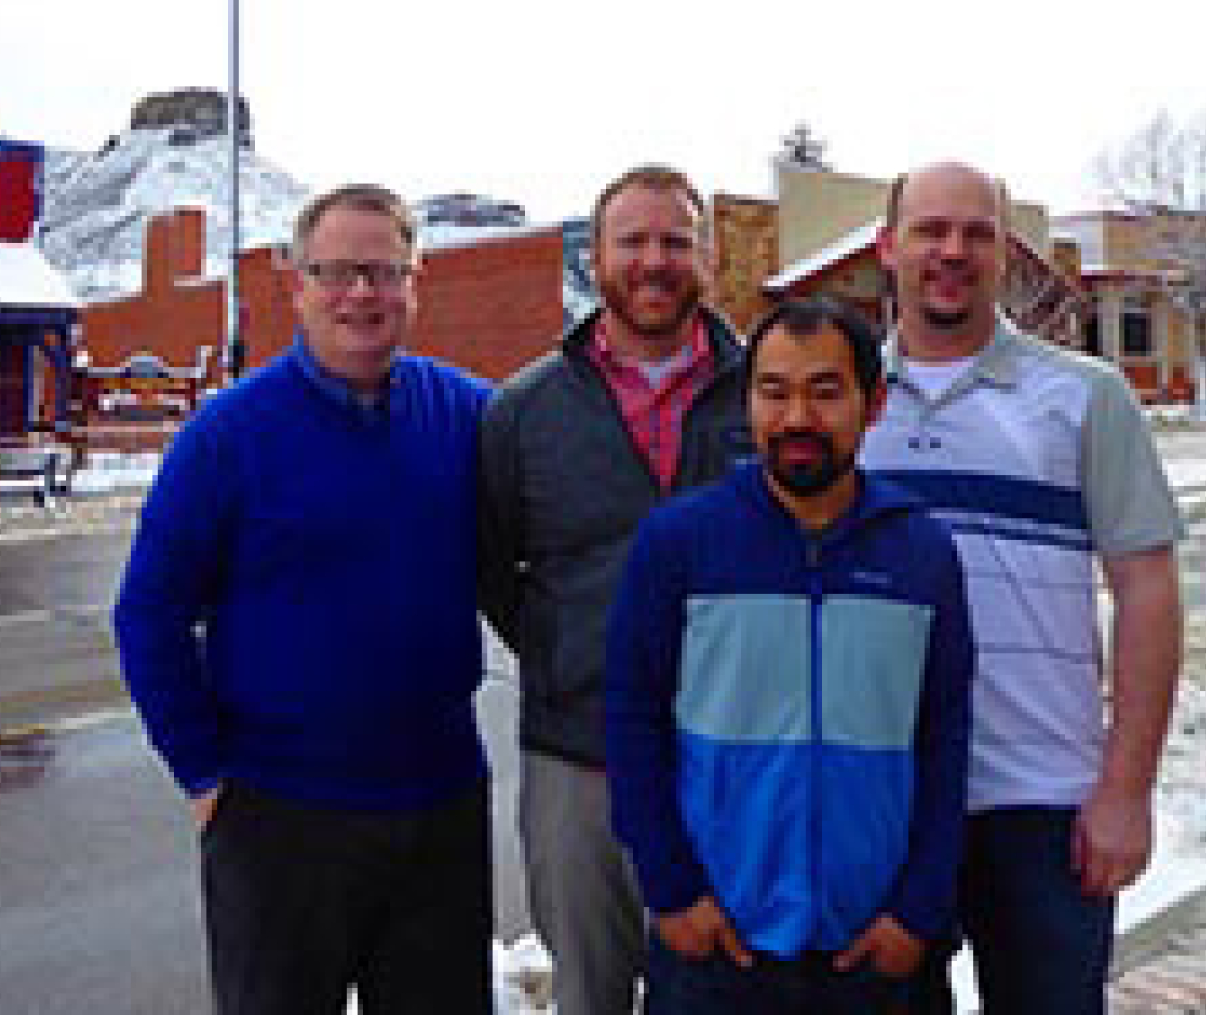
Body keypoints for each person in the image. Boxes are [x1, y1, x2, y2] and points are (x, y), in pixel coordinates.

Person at [113, 184, 494, 1015]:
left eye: (384, 272)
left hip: (439, 809)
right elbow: (150, 612)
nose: (362, 293)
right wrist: (204, 773)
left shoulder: (468, 416)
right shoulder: (227, 435)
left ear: (413, 284)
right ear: (298, 286)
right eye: (339, 272)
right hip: (276, 817)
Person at [862, 162, 1184, 1014]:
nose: (952, 251)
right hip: (884, 798)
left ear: (1006, 253)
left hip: (1044, 803)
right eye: (931, 229)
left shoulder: (1085, 395)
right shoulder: (840, 403)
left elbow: (1147, 591)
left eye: (977, 232)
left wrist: (1126, 789)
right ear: (888, 247)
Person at [605, 296, 974, 1014]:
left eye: (825, 391)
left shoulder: (922, 552)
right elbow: (631, 721)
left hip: (876, 948)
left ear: (873, 403)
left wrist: (919, 910)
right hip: (719, 947)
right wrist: (672, 890)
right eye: (774, 391)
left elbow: (946, 735)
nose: (797, 417)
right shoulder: (680, 543)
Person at [478, 165, 747, 1014]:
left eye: (676, 240)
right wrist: (581, 652)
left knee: (727, 986)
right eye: (632, 240)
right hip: (577, 760)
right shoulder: (524, 411)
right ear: (594, 257)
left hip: (736, 757)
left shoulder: (768, 394)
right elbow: (496, 570)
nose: (655, 260)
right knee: (590, 992)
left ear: (706, 255)